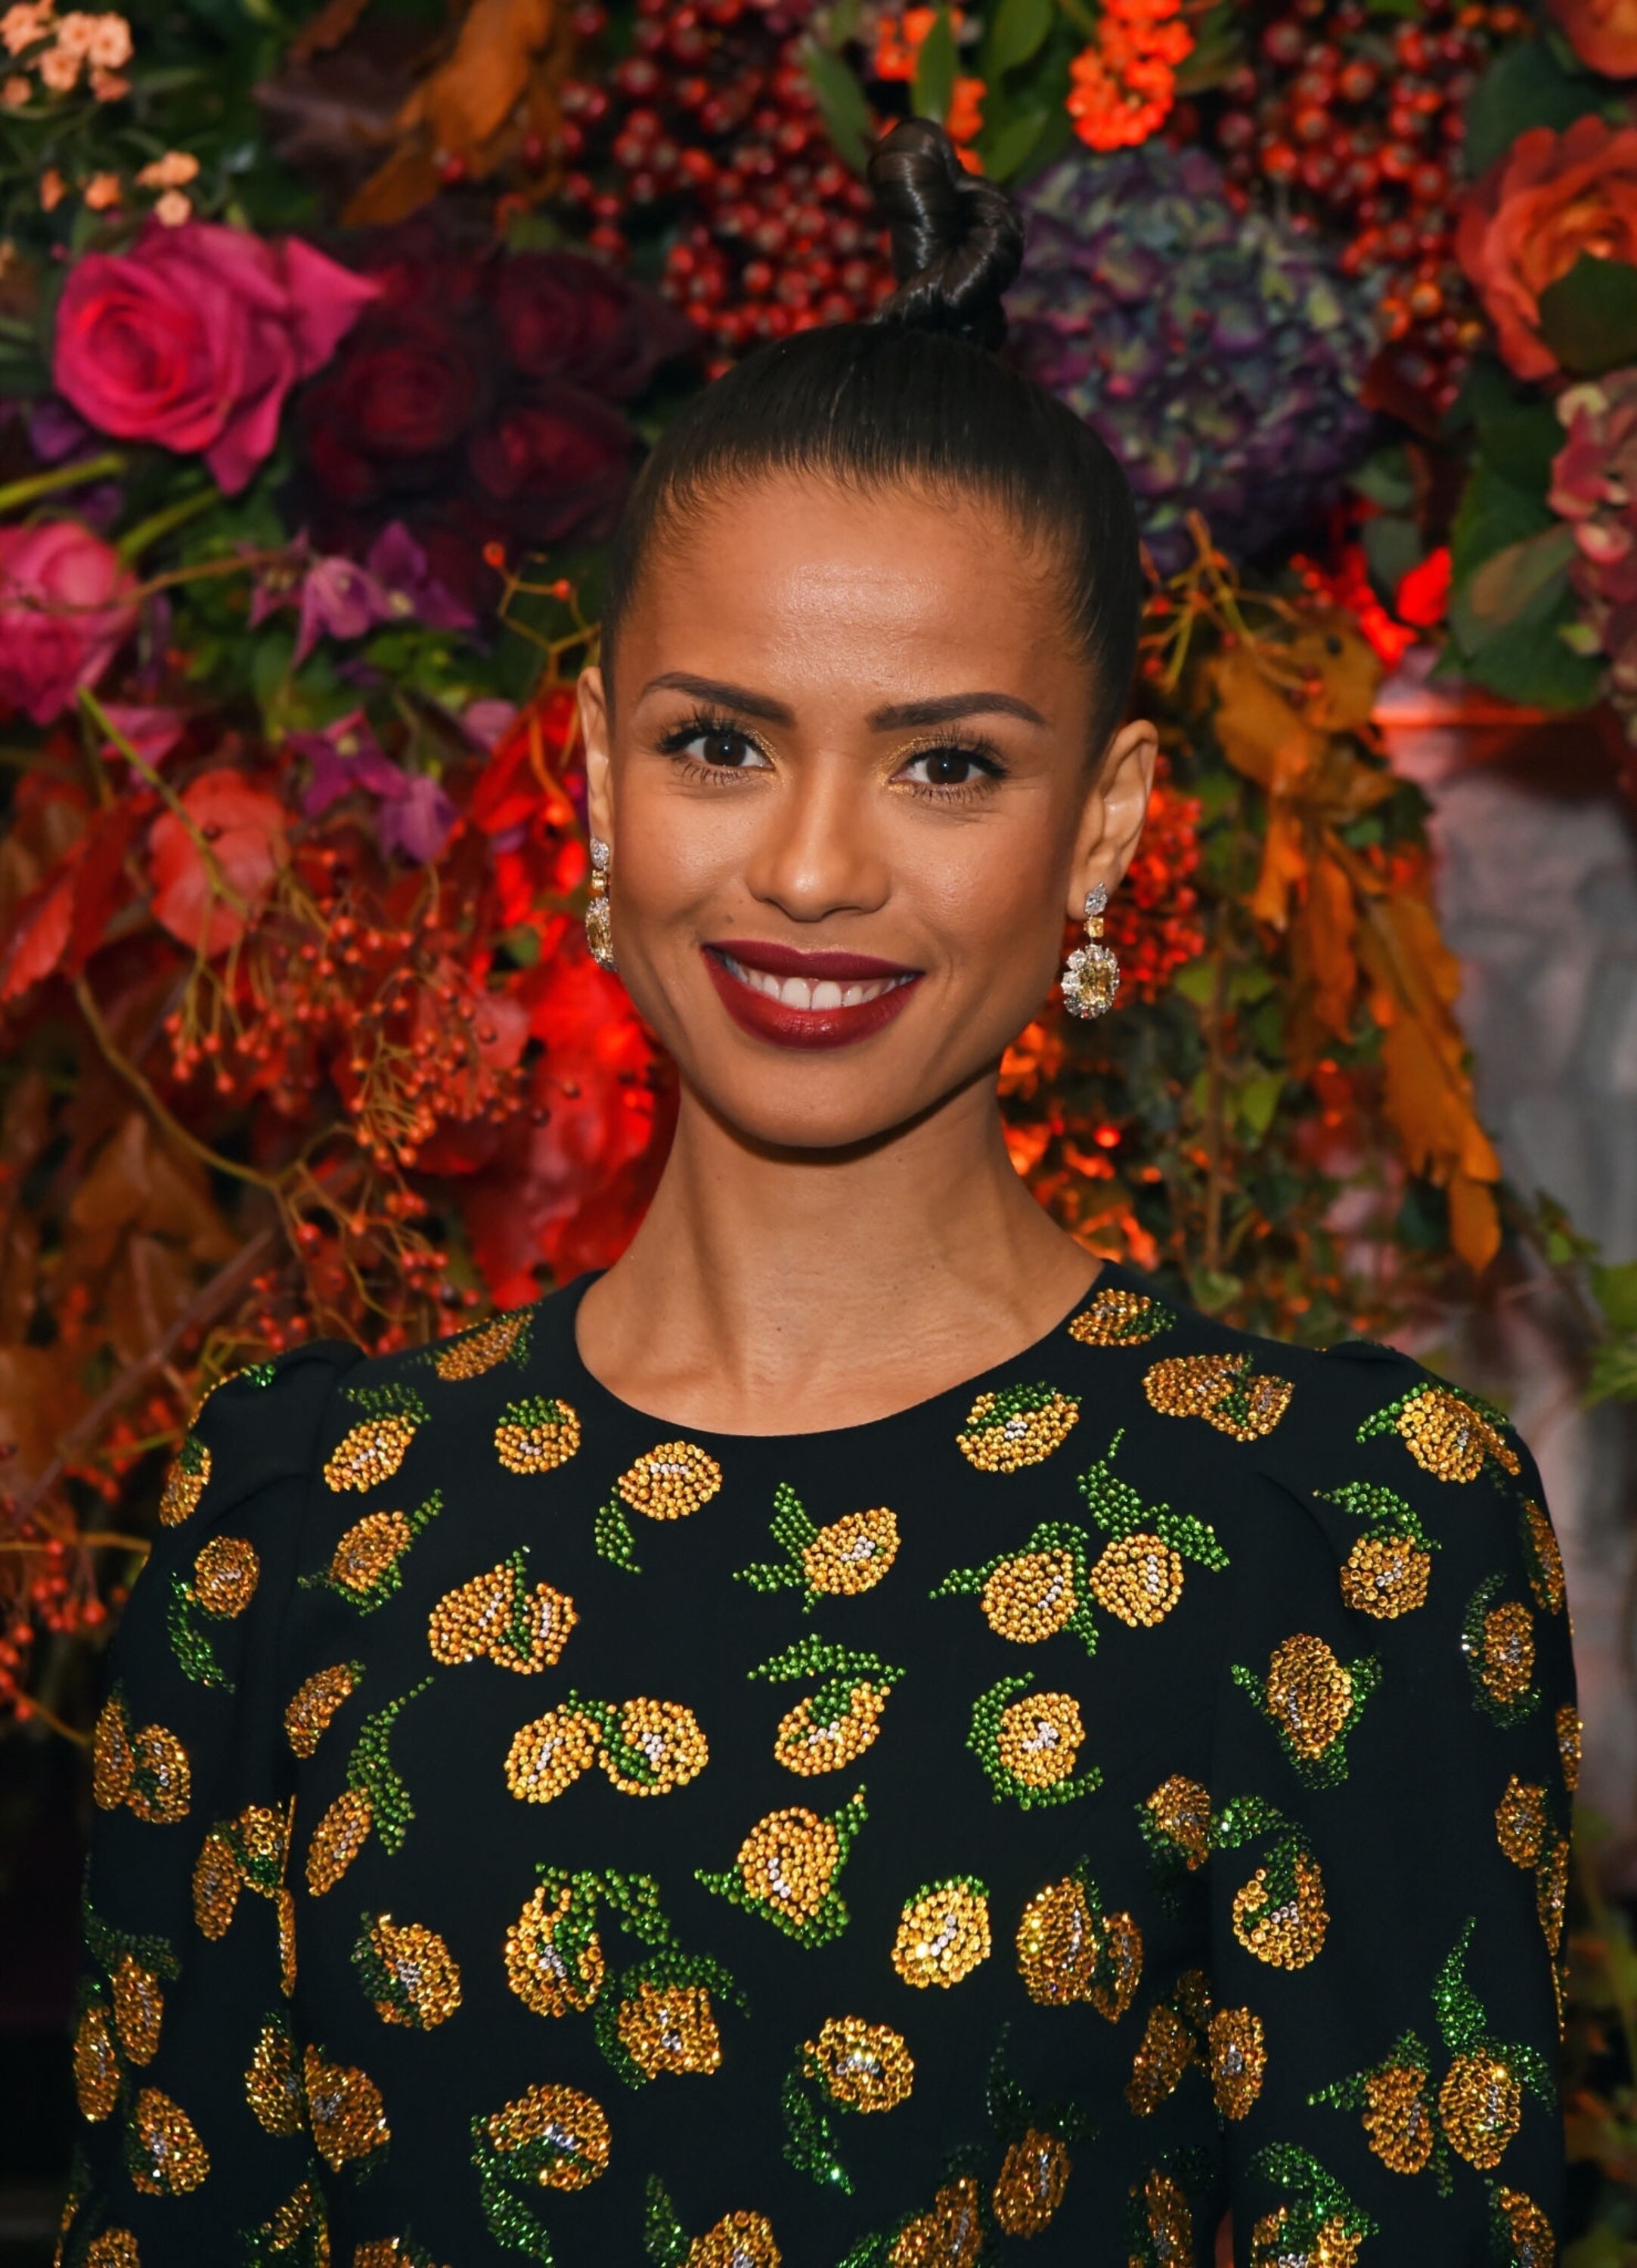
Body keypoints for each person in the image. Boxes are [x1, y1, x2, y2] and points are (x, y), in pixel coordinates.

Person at [63, 119, 1573, 2268]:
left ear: (1104, 826)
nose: (810, 866)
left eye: (947, 763)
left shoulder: (1336, 1532)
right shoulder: (295, 1517)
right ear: (596, 770)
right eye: (721, 743)